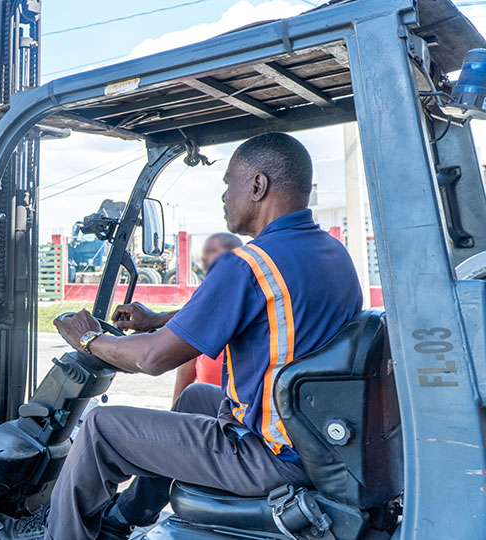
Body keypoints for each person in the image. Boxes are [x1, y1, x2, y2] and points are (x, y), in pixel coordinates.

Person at [39, 132, 362, 540]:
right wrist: (159, 320)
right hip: (319, 442)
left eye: (229, 184)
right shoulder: (330, 253)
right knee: (195, 398)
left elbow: (153, 359)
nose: (224, 196)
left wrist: (89, 340)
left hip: (273, 456)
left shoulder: (248, 264)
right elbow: (262, 311)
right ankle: (125, 518)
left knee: (102, 428)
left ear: (257, 186)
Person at [114, 233, 243, 406]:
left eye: (214, 252)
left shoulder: (243, 300)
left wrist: (92, 341)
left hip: (236, 414)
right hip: (208, 411)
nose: (206, 259)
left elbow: (152, 358)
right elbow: (185, 372)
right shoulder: (201, 304)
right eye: (206, 253)